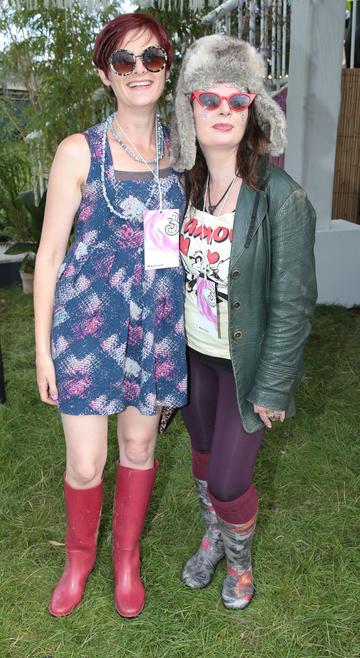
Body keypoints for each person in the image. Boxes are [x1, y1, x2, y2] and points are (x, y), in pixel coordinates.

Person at [34, 12, 187, 619]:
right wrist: (44, 349)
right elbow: (48, 257)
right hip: (85, 329)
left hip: (157, 323)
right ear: (106, 74)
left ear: (166, 67)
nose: (140, 71)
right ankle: (80, 559)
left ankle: (126, 559)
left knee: (140, 443)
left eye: (152, 58)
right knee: (86, 458)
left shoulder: (185, 149)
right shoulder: (79, 151)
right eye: (125, 61)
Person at [170, 35, 317, 610]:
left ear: (255, 108)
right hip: (193, 359)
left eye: (238, 100)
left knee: (231, 480)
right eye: (210, 99)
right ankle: (213, 536)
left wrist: (274, 385)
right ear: (190, 107)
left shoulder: (281, 197)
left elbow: (293, 302)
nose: (224, 111)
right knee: (203, 463)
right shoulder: (182, 185)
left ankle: (241, 563)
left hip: (245, 365)